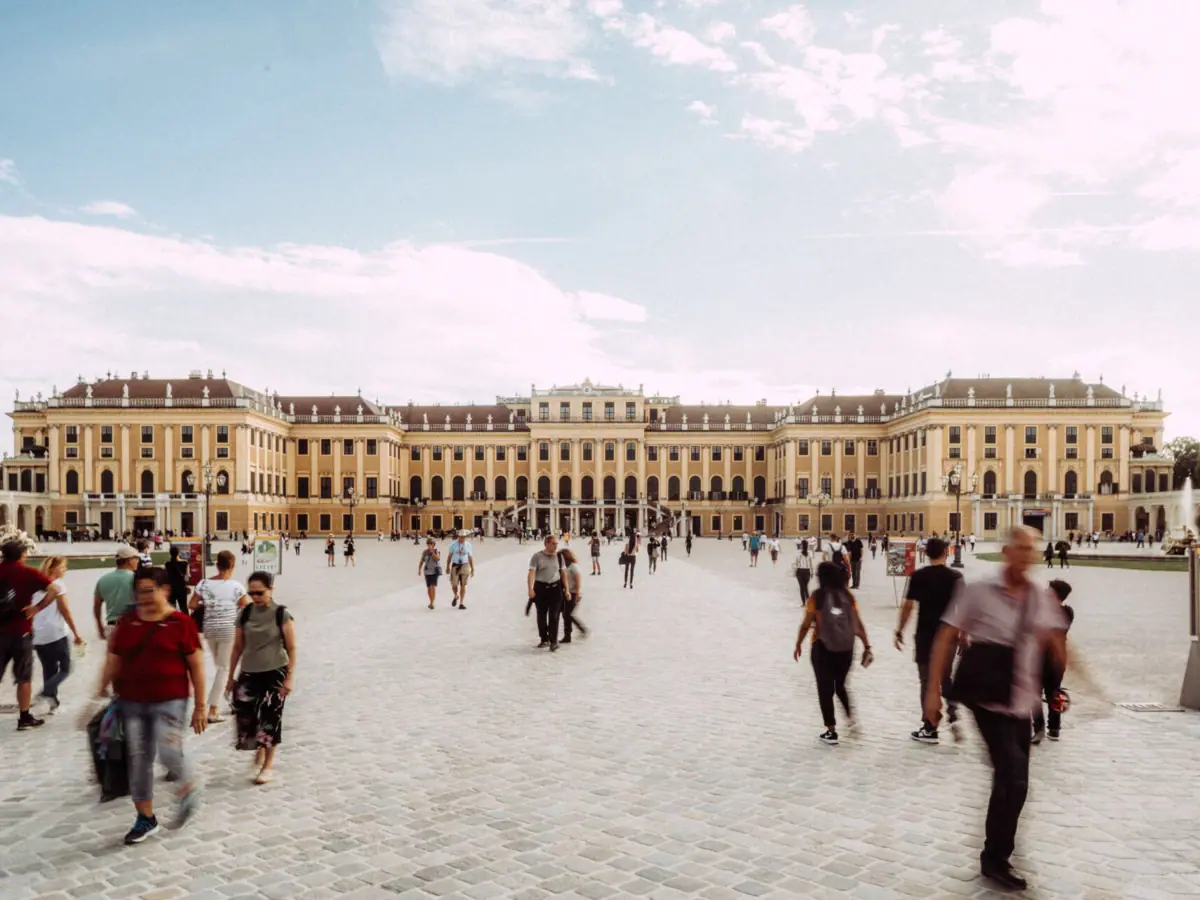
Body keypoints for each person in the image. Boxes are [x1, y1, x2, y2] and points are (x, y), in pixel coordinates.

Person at [923, 526, 1068, 891]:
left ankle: (995, 855)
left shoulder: (1039, 597)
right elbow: (946, 636)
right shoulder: (978, 591)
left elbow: (1056, 644)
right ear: (1006, 551)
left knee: (1014, 784)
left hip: (1020, 698)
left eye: (1031, 549)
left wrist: (1068, 687)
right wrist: (932, 694)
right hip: (986, 696)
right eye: (1019, 547)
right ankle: (997, 858)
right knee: (1012, 774)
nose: (1026, 554)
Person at [98, 566, 206, 844]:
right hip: (132, 701)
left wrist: (201, 706)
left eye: (149, 591)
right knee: (139, 759)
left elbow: (196, 665)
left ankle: (188, 787)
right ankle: (145, 818)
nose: (143, 597)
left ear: (165, 590)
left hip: (170, 700)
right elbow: (114, 658)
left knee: (169, 751)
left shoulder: (180, 623)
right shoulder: (128, 621)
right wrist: (99, 689)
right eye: (139, 592)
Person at [227, 571, 296, 785]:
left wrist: (289, 678)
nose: (255, 597)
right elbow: (237, 647)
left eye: (260, 593)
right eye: (251, 593)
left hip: (275, 671)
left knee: (271, 719)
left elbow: (292, 647)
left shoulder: (280, 614)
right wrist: (230, 677)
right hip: (249, 671)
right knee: (245, 716)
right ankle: (259, 747)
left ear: (270, 589)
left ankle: (268, 765)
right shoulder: (245, 614)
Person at [793, 561, 873, 746]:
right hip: (846, 648)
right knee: (841, 685)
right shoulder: (848, 596)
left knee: (824, 688)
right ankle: (851, 718)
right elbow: (858, 624)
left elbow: (807, 623)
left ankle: (831, 730)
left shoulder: (817, 597)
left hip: (822, 647)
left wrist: (798, 643)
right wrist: (867, 645)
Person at [894, 537, 962, 744]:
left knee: (926, 681)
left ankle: (930, 727)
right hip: (949, 635)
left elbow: (908, 606)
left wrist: (899, 630)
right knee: (945, 678)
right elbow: (964, 609)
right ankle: (953, 713)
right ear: (946, 552)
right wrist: (964, 635)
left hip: (925, 634)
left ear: (925, 553)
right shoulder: (956, 577)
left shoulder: (918, 576)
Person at [0, 539, 66, 730]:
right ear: (22, 555)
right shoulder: (27, 573)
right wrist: (37, 607)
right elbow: (55, 589)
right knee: (24, 677)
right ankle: (24, 717)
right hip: (21, 632)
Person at [189, 550, 247, 725]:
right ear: (232, 566)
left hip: (210, 629)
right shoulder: (236, 586)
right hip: (228, 629)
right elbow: (246, 607)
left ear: (216, 564)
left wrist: (207, 603)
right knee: (223, 669)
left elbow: (191, 604)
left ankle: (228, 696)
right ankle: (213, 709)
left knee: (220, 667)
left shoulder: (204, 584)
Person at [32, 556, 84, 714]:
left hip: (37, 633)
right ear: (54, 569)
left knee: (49, 667)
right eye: (62, 567)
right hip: (55, 632)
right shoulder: (58, 585)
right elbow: (65, 611)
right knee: (66, 667)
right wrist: (76, 633)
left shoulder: (35, 584)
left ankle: (52, 702)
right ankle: (46, 692)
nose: (65, 570)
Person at [1032, 579, 1074, 744]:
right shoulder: (1066, 611)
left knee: (1047, 694)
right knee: (1051, 693)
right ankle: (1049, 728)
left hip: (1045, 657)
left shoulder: (1061, 613)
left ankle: (1045, 727)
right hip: (1056, 658)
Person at [94, 546, 140, 639]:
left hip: (112, 628)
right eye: (136, 558)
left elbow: (97, 605)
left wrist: (100, 627)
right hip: (133, 626)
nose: (138, 561)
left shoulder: (103, 579)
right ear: (129, 561)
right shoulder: (136, 579)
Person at [527, 535, 564, 651]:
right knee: (541, 615)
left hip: (555, 588)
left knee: (554, 615)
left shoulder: (559, 556)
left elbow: (563, 573)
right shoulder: (537, 557)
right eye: (553, 544)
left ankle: (554, 641)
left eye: (556, 544)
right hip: (541, 588)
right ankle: (544, 638)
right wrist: (530, 588)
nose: (555, 546)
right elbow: (531, 572)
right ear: (546, 544)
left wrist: (566, 590)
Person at [559, 548, 587, 644]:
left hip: (574, 593)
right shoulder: (566, 567)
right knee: (566, 614)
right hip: (568, 592)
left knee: (568, 614)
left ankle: (582, 629)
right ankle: (567, 636)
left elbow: (578, 578)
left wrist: (578, 593)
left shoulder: (573, 566)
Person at [448, 530, 475, 610]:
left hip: (465, 565)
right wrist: (447, 566)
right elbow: (449, 556)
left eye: (463, 537)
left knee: (463, 585)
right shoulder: (453, 545)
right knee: (454, 584)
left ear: (465, 537)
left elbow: (470, 557)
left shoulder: (468, 545)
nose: (462, 538)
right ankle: (456, 595)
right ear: (458, 537)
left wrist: (472, 568)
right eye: (460, 537)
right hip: (455, 565)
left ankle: (461, 603)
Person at [166, 546, 190, 615]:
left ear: (170, 554)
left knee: (171, 609)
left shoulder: (167, 564)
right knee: (184, 608)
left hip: (171, 588)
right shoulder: (185, 563)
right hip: (181, 588)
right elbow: (187, 577)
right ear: (178, 553)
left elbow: (167, 576)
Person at [418, 538, 440, 609]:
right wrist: (419, 569)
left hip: (434, 571)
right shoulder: (425, 552)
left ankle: (432, 602)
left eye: (431, 544)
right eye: (428, 544)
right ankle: (431, 601)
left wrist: (432, 552)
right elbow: (421, 561)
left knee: (433, 586)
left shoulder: (436, 551)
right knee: (429, 587)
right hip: (427, 572)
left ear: (433, 544)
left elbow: (437, 558)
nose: (429, 545)